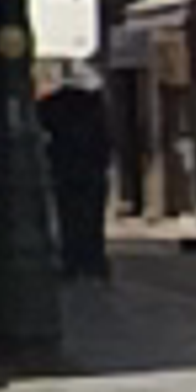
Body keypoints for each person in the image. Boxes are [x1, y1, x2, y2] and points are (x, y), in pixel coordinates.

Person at [37, 64, 116, 288]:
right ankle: (93, 263)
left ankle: (74, 262)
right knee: (91, 219)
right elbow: (106, 140)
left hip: (66, 169)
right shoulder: (95, 106)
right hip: (92, 171)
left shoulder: (55, 105)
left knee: (69, 216)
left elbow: (39, 123)